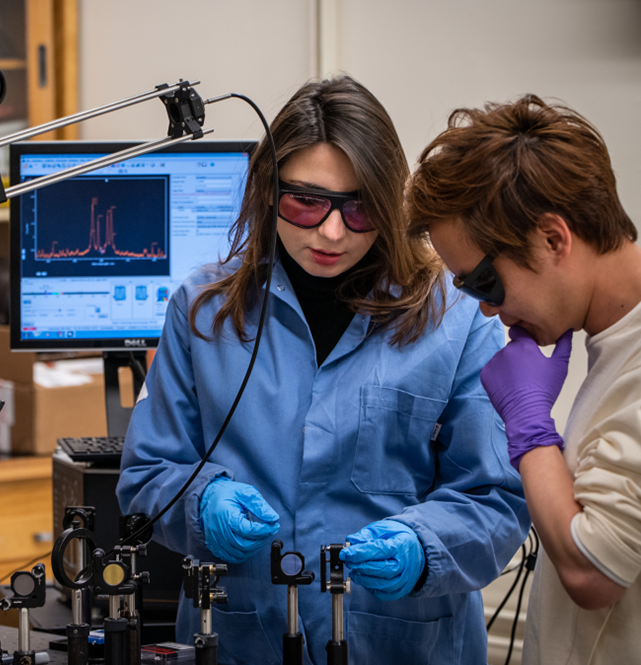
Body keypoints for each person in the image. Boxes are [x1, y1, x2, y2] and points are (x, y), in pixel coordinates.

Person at [117, 76, 529, 665]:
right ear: (266, 190)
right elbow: (148, 476)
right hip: (240, 639)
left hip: (402, 642)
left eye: (359, 207)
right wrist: (201, 503)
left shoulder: (459, 315)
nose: (331, 232)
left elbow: (497, 496)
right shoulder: (204, 309)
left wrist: (424, 545)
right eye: (305, 202)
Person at [406, 94, 641, 663]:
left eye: (483, 282)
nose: (486, 311)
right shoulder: (613, 345)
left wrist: (530, 427)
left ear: (553, 237)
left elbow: (594, 573)